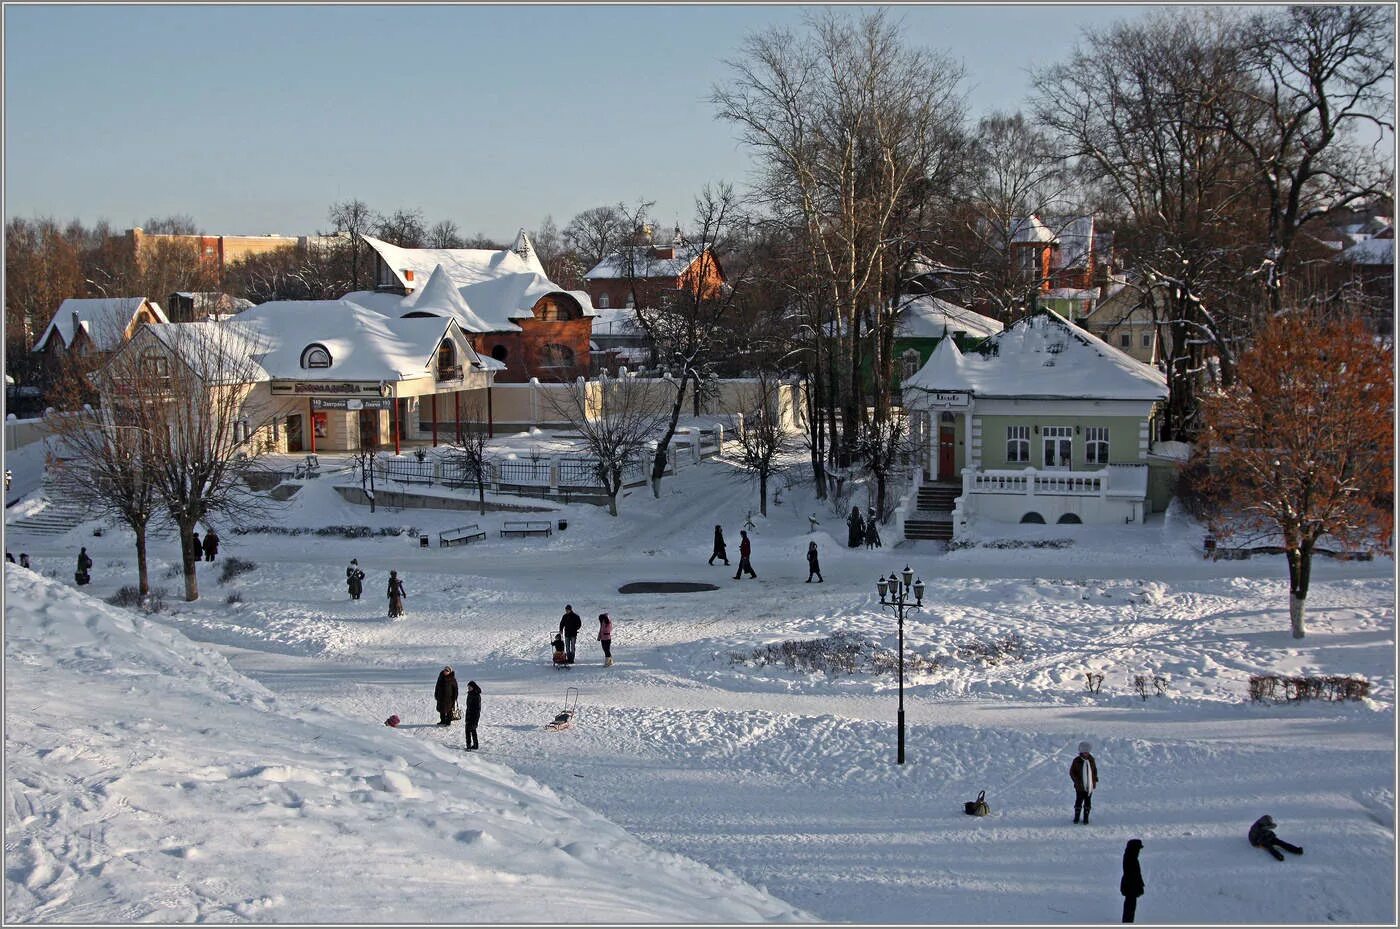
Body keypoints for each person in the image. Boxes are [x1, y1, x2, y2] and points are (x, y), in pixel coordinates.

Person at [1070, 741, 1099, 824]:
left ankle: (1086, 817)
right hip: (1080, 786)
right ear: (1081, 751)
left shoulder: (1091, 759)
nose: (1086, 753)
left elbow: (1094, 770)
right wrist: (1076, 780)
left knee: (1088, 802)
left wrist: (1095, 778)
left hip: (1089, 786)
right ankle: (1077, 817)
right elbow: (1072, 772)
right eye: (1084, 751)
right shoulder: (1076, 761)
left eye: (1087, 751)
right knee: (1079, 801)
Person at [1120, 838, 1144, 923]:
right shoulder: (1131, 857)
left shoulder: (1130, 856)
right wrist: (1137, 885)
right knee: (1130, 907)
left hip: (1130, 886)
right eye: (1138, 848)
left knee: (1130, 906)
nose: (1139, 851)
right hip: (1131, 887)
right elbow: (1133, 874)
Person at [463, 680, 482, 750]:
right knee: (472, 730)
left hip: (474, 716)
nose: (468, 688)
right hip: (469, 714)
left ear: (473, 687)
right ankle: (475, 745)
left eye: (470, 687)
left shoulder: (477, 696)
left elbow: (478, 709)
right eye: (468, 687)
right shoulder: (470, 694)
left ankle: (468, 746)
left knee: (468, 730)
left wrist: (476, 719)